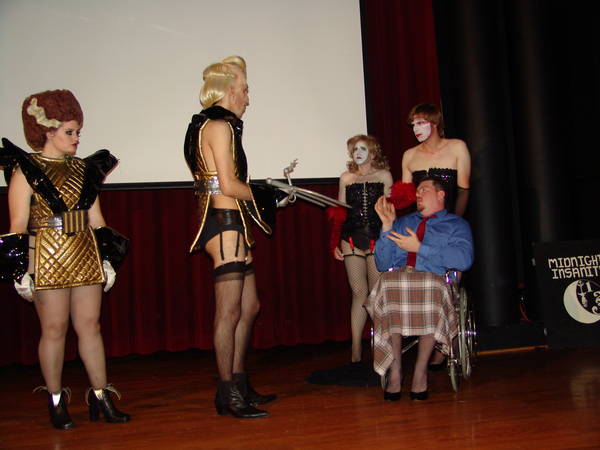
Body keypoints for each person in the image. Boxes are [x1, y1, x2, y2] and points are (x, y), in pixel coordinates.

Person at [0, 90, 130, 429]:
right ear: (48, 131)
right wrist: (22, 270)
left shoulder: (84, 169)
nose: (76, 138)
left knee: (90, 326)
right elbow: (17, 225)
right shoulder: (25, 171)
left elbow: (96, 220)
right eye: (69, 132)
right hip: (47, 255)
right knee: (54, 329)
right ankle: (56, 400)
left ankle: (100, 395)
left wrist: (106, 259)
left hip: (84, 252)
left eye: (77, 131)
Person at [184, 56, 276, 419]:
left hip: (231, 222)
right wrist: (268, 196)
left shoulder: (217, 125)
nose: (248, 98)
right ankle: (228, 393)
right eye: (245, 90)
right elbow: (228, 185)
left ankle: (238, 382)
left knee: (249, 307)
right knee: (229, 311)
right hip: (223, 224)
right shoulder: (219, 126)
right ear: (229, 90)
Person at [365, 176, 473, 401]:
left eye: (424, 189)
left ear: (440, 194)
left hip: (434, 279)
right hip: (400, 279)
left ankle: (420, 372)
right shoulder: (403, 223)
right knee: (387, 283)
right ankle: (395, 371)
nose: (417, 194)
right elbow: (383, 264)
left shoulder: (456, 225)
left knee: (431, 287)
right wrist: (387, 227)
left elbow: (463, 260)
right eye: (417, 191)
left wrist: (420, 248)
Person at [327, 135, 392, 364]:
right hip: (351, 239)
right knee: (358, 293)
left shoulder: (384, 176)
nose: (358, 153)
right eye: (355, 149)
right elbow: (340, 212)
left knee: (375, 294)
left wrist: (390, 240)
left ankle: (380, 346)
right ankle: (355, 348)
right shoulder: (346, 177)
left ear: (372, 153)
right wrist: (335, 242)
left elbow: (390, 210)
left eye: (363, 148)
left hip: (376, 239)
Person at [389, 103, 471, 217]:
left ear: (435, 122)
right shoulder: (409, 155)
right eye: (413, 125)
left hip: (452, 219)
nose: (415, 129)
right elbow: (406, 198)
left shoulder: (457, 147)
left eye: (420, 123)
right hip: (421, 221)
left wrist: (453, 221)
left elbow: (463, 191)